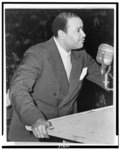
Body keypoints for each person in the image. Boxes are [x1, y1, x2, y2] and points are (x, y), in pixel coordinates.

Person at [8, 12, 105, 142]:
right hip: (32, 134)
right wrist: (35, 119)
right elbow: (18, 89)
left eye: (83, 29)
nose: (84, 34)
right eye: (78, 30)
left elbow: (107, 81)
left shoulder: (82, 56)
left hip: (65, 133)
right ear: (62, 34)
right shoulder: (37, 54)